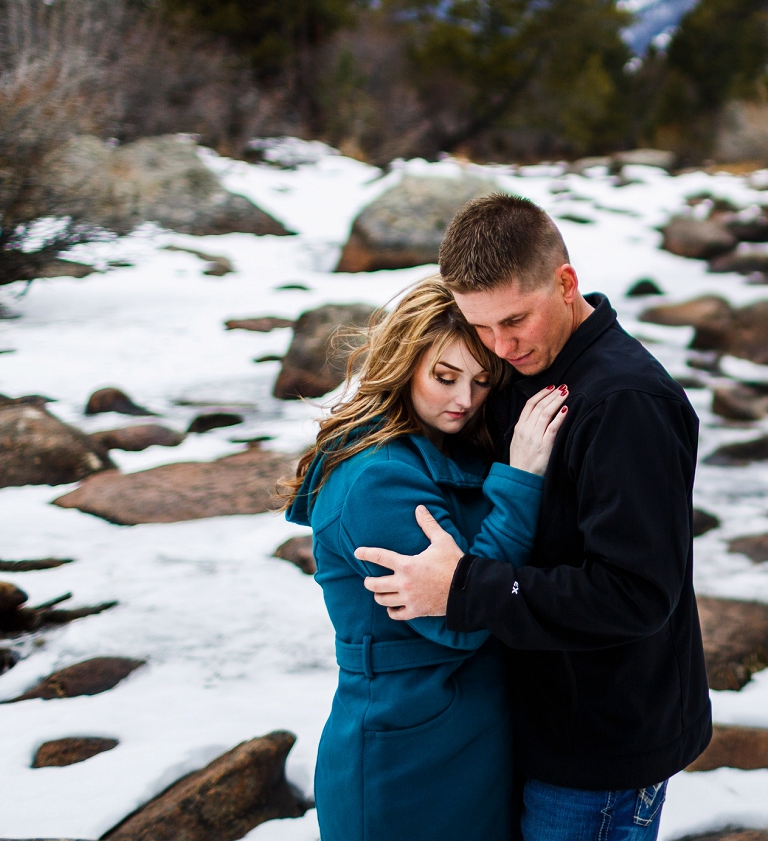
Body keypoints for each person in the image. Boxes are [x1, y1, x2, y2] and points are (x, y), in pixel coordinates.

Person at [355, 194, 711, 841]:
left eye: (514, 320)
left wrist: (463, 589)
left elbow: (636, 594)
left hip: (598, 750)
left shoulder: (626, 405)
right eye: (481, 327)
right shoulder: (519, 367)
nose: (499, 346)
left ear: (566, 283)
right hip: (528, 723)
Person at [283, 275, 569, 841]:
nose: (464, 400)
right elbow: (457, 619)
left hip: (464, 735)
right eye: (445, 376)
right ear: (402, 361)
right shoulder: (376, 479)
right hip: (409, 758)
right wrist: (521, 481)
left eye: (482, 381)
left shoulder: (437, 448)